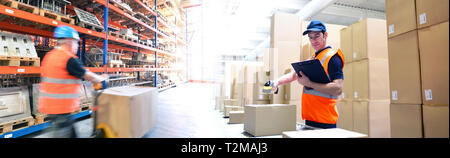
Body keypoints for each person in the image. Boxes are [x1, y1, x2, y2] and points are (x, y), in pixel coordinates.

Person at [272, 20, 345, 129]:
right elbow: (293, 75)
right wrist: (276, 82)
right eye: (310, 37)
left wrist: (309, 83)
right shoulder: (313, 59)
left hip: (325, 121)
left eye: (317, 36)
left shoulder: (333, 58)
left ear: (325, 35)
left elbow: (338, 88)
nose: (313, 40)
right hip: (310, 119)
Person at [38, 25, 107, 138]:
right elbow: (88, 75)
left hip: (50, 107)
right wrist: (101, 78)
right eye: (76, 43)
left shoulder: (49, 56)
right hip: (61, 109)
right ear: (69, 42)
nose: (77, 46)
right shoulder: (68, 59)